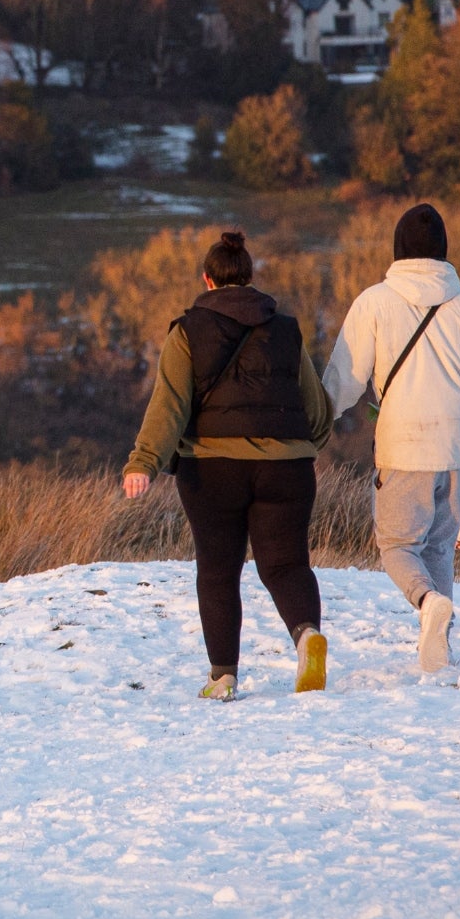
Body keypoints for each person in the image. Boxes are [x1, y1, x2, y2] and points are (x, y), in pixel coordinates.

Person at [122, 228, 333, 701]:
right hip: (287, 465)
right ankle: (306, 636)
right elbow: (316, 408)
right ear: (249, 277)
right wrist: (300, 448)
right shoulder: (285, 330)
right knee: (286, 565)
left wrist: (144, 462)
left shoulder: (188, 331)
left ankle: (223, 677)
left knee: (218, 569)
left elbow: (169, 406)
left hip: (213, 468)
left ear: (207, 280)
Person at [322, 202, 460, 673]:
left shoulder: (375, 301)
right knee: (441, 545)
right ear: (443, 250)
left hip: (403, 443)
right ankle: (438, 644)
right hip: (456, 446)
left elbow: (344, 378)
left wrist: (318, 419)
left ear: (398, 249)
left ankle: (428, 604)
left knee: (397, 545)